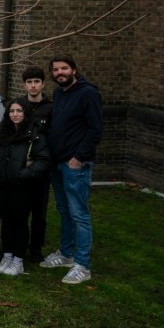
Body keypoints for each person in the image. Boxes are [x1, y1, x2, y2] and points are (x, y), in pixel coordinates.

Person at [41, 55, 103, 285]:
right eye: (55, 69)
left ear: (74, 70)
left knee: (79, 214)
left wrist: (78, 158)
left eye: (64, 68)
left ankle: (83, 264)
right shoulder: (59, 93)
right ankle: (66, 253)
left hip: (75, 165)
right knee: (64, 210)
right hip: (58, 164)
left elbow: (95, 129)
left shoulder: (88, 94)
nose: (60, 73)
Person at [0, 99, 51, 276]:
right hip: (2, 184)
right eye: (12, 111)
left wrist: (23, 174)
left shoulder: (35, 134)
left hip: (22, 186)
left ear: (26, 113)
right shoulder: (1, 131)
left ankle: (18, 259)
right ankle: (7, 254)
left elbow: (43, 161)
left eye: (19, 111)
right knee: (6, 220)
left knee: (20, 221)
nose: (15, 114)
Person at [21, 66, 53, 262]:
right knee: (21, 209)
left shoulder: (50, 108)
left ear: (42, 84)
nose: (33, 86)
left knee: (39, 211)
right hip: (21, 164)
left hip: (41, 166)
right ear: (24, 85)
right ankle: (20, 245)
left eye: (36, 82)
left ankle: (36, 248)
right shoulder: (19, 105)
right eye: (29, 82)